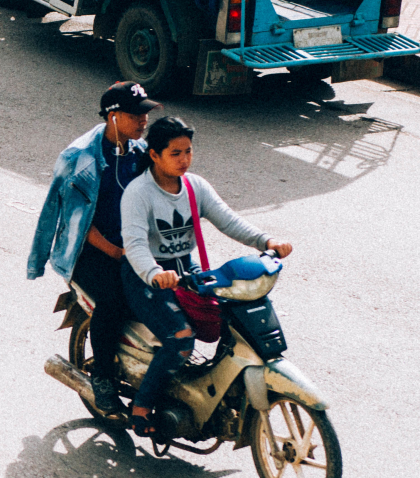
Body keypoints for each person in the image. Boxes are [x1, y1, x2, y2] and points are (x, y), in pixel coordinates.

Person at [119, 117, 293, 436]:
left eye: (188, 151)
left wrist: (266, 241)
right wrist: (155, 273)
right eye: (175, 153)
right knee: (181, 338)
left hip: (187, 272)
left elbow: (228, 219)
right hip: (145, 279)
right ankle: (142, 407)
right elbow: (134, 244)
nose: (184, 159)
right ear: (154, 155)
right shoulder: (138, 192)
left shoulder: (194, 186)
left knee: (234, 317)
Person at [27, 82, 161, 419]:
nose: (144, 120)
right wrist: (116, 253)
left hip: (131, 247)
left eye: (145, 114)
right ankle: (102, 377)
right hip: (90, 252)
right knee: (115, 299)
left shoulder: (139, 152)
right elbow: (74, 221)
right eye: (136, 114)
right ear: (113, 116)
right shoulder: (81, 158)